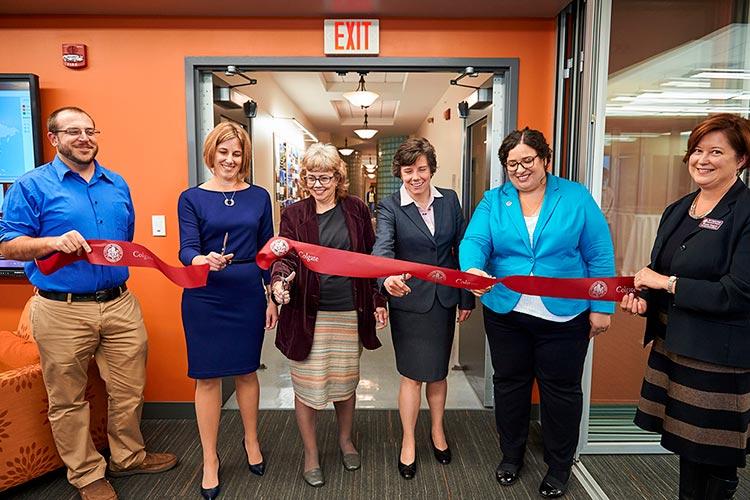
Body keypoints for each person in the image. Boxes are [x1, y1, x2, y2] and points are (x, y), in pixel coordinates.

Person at [0, 107, 177, 500]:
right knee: (67, 398)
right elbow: (8, 243)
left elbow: (122, 241)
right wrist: (51, 242)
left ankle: (128, 456)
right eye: (73, 131)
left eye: (89, 131)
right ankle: (86, 474)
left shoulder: (116, 183)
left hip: (119, 303)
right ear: (54, 138)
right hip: (60, 308)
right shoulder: (31, 186)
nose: (83, 138)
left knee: (129, 388)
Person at [459, 127, 614, 498]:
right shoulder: (494, 201)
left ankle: (559, 465)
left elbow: (599, 253)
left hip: (564, 315)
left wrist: (602, 306)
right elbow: (474, 241)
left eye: (528, 160)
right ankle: (510, 455)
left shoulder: (574, 196)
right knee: (509, 385)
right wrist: (473, 269)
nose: (520, 169)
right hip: (506, 311)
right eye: (512, 163)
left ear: (545, 159)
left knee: (560, 390)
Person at [621, 113, 750, 500]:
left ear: (741, 159)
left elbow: (739, 291)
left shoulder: (744, 212)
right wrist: (645, 297)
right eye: (697, 150)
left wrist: (667, 284)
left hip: (718, 355)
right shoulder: (678, 209)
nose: (702, 159)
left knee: (715, 454)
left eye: (716, 152)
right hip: (674, 344)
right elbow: (662, 271)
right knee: (686, 448)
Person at [270, 143, 387, 488]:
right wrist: (279, 281)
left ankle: (345, 440)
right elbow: (285, 256)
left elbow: (370, 259)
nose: (318, 184)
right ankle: (310, 453)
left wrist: (379, 298)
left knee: (345, 383)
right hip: (308, 313)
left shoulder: (356, 209)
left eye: (325, 177)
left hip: (349, 312)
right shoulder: (294, 214)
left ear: (338, 177)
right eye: (311, 177)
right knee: (307, 386)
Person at [177, 122, 277, 499]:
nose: (230, 160)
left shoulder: (259, 196)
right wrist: (202, 257)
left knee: (247, 373)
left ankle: (251, 442)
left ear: (244, 157)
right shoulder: (191, 198)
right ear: (211, 154)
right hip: (205, 295)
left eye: (236, 153)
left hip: (248, 292)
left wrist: (270, 297)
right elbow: (185, 248)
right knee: (207, 379)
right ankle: (209, 459)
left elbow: (268, 251)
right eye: (223, 152)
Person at [371, 137, 474, 480]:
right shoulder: (389, 207)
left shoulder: (450, 202)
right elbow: (383, 248)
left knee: (439, 373)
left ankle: (438, 430)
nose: (415, 177)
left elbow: (463, 249)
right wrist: (385, 281)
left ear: (431, 169)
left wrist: (465, 296)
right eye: (408, 170)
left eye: (421, 169)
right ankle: (408, 439)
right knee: (412, 375)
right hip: (410, 302)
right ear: (399, 172)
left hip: (443, 301)